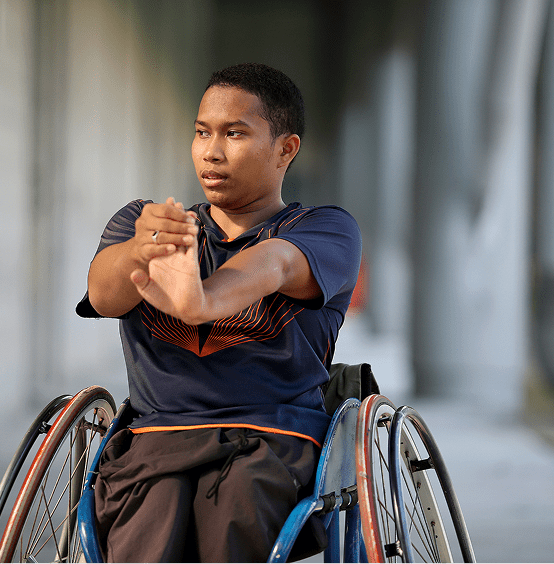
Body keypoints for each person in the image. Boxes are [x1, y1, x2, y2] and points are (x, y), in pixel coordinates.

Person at [77, 62, 361, 563]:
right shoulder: (149, 225)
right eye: (202, 132)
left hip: (273, 440)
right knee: (150, 517)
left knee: (233, 509)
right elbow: (102, 295)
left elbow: (274, 264)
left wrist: (201, 301)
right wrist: (141, 251)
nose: (211, 151)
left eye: (234, 133)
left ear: (286, 149)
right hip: (155, 436)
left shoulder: (325, 229)